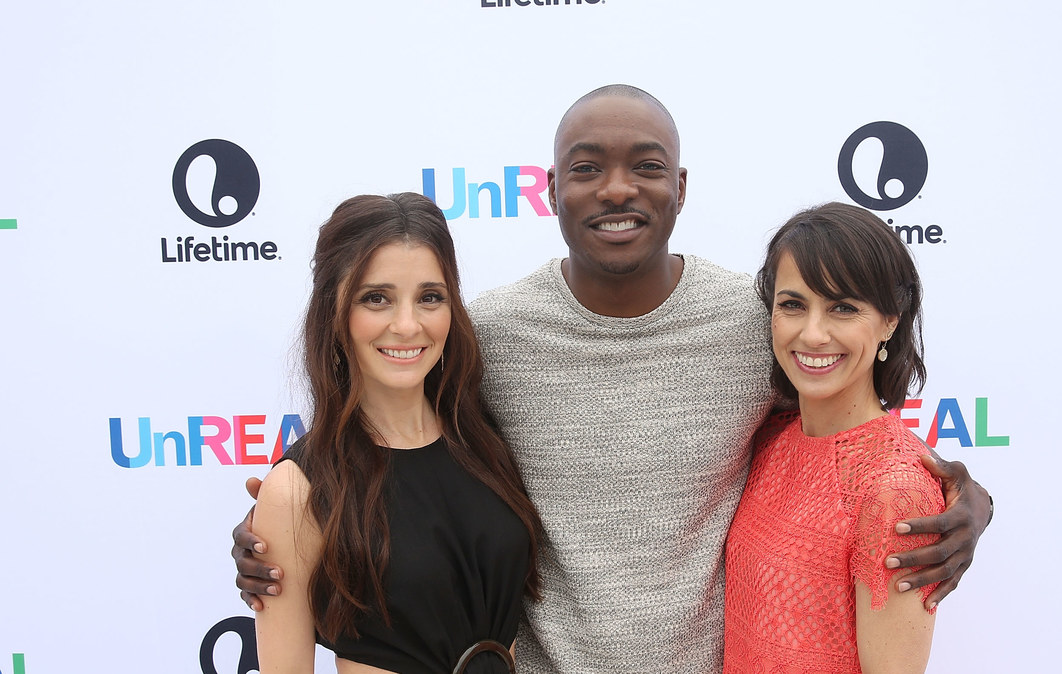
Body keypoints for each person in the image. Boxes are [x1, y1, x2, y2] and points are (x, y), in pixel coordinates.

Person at [235, 85, 992, 673]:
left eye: (647, 167)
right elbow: (393, 439)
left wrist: (964, 500)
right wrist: (289, 517)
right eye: (588, 168)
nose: (618, 189)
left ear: (682, 187)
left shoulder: (759, 320)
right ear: (552, 188)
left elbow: (842, 433)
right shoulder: (489, 334)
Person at [251, 193, 542, 673]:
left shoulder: (486, 443)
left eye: (430, 297)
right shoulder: (298, 488)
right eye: (376, 298)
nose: (407, 325)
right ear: (335, 312)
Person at [724, 203, 945, 673]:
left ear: (891, 320)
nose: (814, 333)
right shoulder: (768, 438)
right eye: (793, 305)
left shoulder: (895, 490)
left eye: (843, 307)